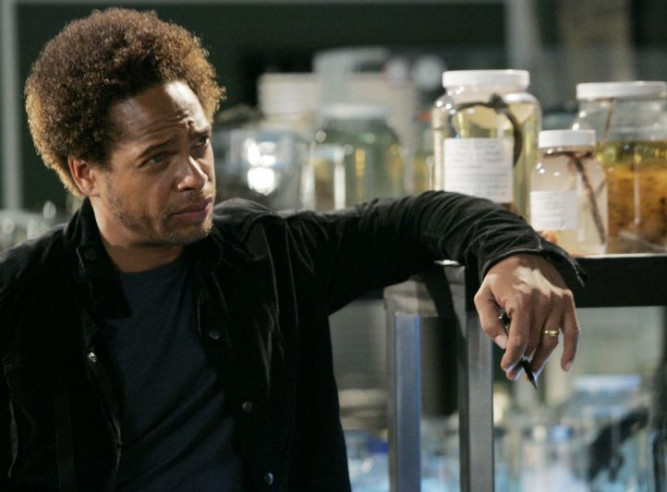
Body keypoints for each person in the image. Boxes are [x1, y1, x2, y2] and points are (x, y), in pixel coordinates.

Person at [0, 8, 583, 491]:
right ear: (86, 173)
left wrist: (513, 255)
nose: (193, 176)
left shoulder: (262, 253)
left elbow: (416, 217)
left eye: (198, 143)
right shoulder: (21, 297)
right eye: (157, 159)